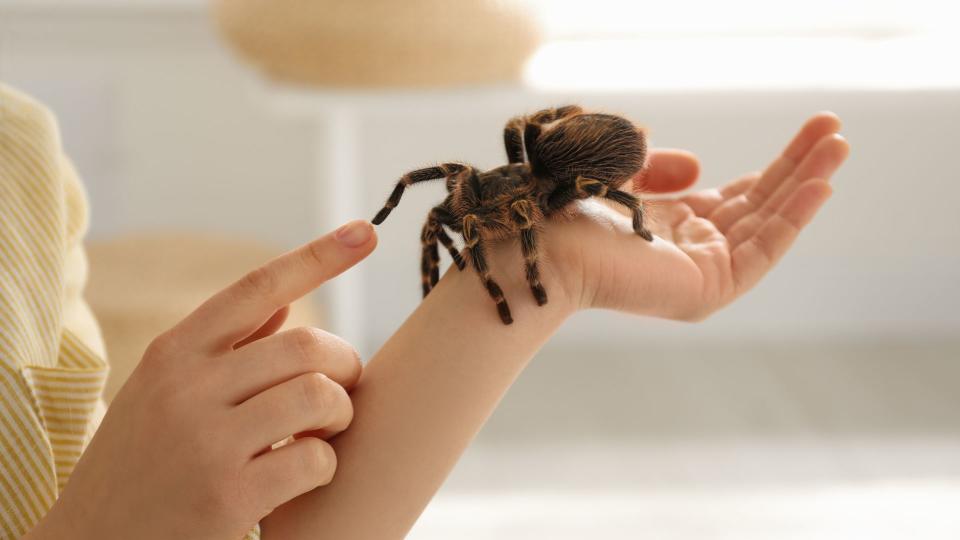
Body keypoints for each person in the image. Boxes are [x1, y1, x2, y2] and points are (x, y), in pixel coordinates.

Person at [1, 81, 849, 539]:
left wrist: (548, 267)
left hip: (577, 165)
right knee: (452, 207)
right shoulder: (484, 196)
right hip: (563, 169)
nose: (462, 217)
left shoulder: (22, 159)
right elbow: (448, 206)